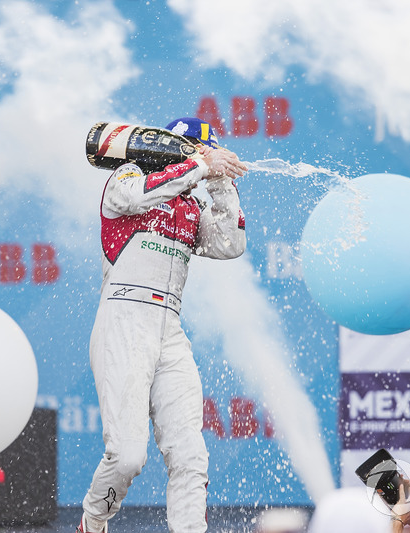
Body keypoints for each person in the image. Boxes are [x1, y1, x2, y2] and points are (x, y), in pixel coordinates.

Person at [77, 117, 247, 533]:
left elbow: (230, 243)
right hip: (123, 319)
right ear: (168, 147)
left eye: (206, 149)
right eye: (190, 147)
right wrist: (203, 164)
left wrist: (221, 182)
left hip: (168, 327)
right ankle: (93, 521)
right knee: (128, 457)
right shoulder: (129, 175)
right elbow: (138, 197)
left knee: (190, 455)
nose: (198, 155)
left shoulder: (191, 205)